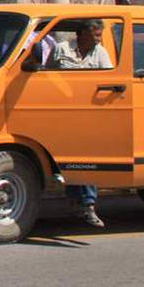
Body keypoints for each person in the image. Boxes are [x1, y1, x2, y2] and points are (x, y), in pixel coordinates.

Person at [48, 18, 113, 228]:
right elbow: (46, 77)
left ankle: (87, 204)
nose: (98, 39)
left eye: (100, 35)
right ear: (83, 34)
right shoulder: (61, 49)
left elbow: (110, 79)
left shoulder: (100, 53)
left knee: (86, 158)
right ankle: (78, 202)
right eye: (96, 35)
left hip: (89, 114)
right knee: (70, 160)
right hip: (63, 113)